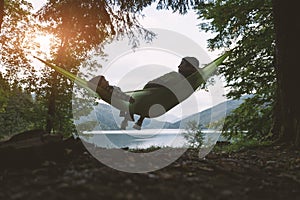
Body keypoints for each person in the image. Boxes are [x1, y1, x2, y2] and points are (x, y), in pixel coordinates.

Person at [133, 56, 200, 130]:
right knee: (150, 96)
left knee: (146, 95)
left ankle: (139, 119)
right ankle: (139, 119)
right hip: (160, 103)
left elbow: (149, 85)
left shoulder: (175, 76)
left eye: (182, 64)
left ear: (190, 67)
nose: (178, 66)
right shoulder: (192, 81)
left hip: (157, 99)